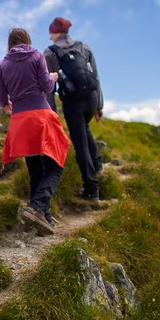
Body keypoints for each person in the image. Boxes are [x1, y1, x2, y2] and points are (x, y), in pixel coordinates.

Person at [0, 28, 70, 234]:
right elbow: (46, 86)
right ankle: (37, 206)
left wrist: (6, 104)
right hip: (41, 116)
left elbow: (2, 98)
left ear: (10, 43)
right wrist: (54, 77)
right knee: (56, 165)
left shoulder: (2, 64)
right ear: (27, 40)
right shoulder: (37, 55)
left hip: (20, 121)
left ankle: (41, 215)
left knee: (35, 168)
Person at [43, 17, 104, 201]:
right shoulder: (83, 47)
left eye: (50, 34)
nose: (50, 37)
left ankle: (92, 189)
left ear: (54, 33)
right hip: (91, 97)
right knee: (84, 128)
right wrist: (99, 105)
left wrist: (51, 111)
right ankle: (98, 164)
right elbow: (96, 75)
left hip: (73, 102)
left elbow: (48, 86)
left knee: (80, 144)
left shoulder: (49, 53)